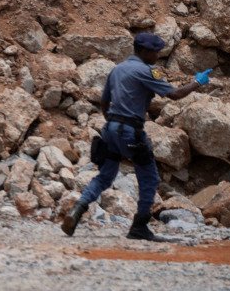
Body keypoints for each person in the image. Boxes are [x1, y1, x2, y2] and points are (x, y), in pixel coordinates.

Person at [62, 33, 211, 241]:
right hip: (131, 131)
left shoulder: (117, 69)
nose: (158, 56)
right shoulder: (147, 71)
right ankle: (139, 227)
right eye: (155, 52)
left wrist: (114, 125)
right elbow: (175, 94)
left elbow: (104, 103)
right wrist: (197, 81)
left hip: (110, 130)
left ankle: (77, 208)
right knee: (149, 177)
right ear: (143, 51)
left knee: (104, 176)